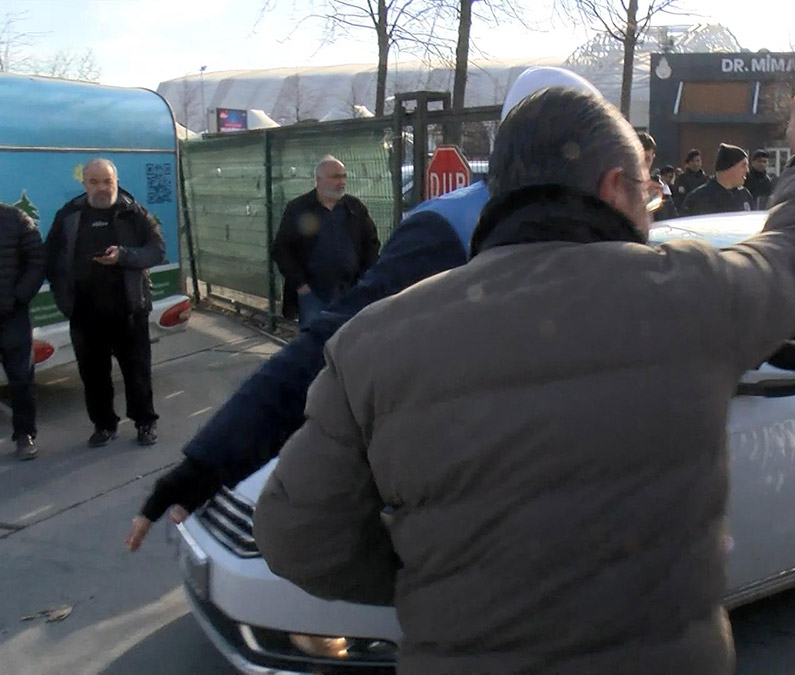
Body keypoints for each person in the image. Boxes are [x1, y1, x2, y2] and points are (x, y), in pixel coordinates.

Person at [251, 84, 795, 673]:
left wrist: (432, 577)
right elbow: (793, 254)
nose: (650, 211)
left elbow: (293, 536)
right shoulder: (693, 292)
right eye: (647, 194)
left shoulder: (369, 343)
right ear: (615, 188)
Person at [125, 65, 605, 551]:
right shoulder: (452, 229)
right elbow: (331, 350)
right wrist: (207, 464)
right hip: (472, 512)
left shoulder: (606, 235)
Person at [45, 159, 165, 447]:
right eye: (94, 182)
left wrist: (123, 256)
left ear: (116, 180)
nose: (101, 187)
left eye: (107, 181)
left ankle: (144, 423)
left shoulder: (133, 212)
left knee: (137, 373)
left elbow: (156, 250)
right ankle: (104, 425)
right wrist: (65, 302)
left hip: (129, 311)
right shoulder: (69, 215)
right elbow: (50, 259)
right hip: (85, 315)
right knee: (94, 377)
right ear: (84, 183)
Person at [269, 156, 381, 328]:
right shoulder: (299, 208)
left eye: (344, 176)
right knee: (314, 346)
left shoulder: (354, 208)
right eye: (335, 177)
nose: (341, 181)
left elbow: (371, 244)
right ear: (319, 180)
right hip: (314, 295)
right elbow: (282, 249)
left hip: (350, 292)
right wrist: (301, 285)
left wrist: (364, 279)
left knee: (348, 343)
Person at [0, 203, 45, 460]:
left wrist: (18, 298)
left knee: (21, 380)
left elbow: (37, 260)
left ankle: (25, 435)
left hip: (12, 316)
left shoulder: (15, 218)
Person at [682, 143, 754, 216]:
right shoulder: (698, 198)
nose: (747, 170)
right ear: (729, 167)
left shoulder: (744, 195)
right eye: (743, 165)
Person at [636, 132, 676, 221]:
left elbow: (671, 220)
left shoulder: (661, 189)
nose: (643, 164)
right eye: (639, 158)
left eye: (647, 159)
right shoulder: (619, 188)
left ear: (653, 158)